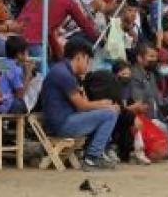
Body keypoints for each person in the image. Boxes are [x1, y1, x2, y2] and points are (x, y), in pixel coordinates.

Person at [41, 39, 118, 170]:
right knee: (110, 114)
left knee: (107, 112)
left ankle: (96, 154)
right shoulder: (63, 74)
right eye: (87, 61)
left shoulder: (65, 72)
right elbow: (82, 106)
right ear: (79, 57)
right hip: (61, 124)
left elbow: (83, 103)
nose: (88, 66)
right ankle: (92, 158)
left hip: (63, 120)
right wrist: (103, 104)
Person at [129, 41, 168, 159]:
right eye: (151, 56)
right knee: (160, 127)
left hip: (159, 121)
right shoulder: (134, 76)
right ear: (139, 58)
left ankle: (163, 149)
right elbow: (139, 104)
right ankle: (165, 150)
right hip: (145, 123)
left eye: (156, 57)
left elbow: (160, 102)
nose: (155, 60)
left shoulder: (151, 75)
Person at [20, 0, 100, 59]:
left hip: (18, 37)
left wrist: (58, 53)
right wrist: (98, 37)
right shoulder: (67, 0)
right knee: (44, 70)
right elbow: (84, 24)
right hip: (34, 40)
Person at [0, 35, 35, 115]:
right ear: (20, 54)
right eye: (27, 52)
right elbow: (20, 95)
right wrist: (28, 73)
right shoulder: (14, 68)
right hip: (7, 107)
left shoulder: (2, 63)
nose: (28, 54)